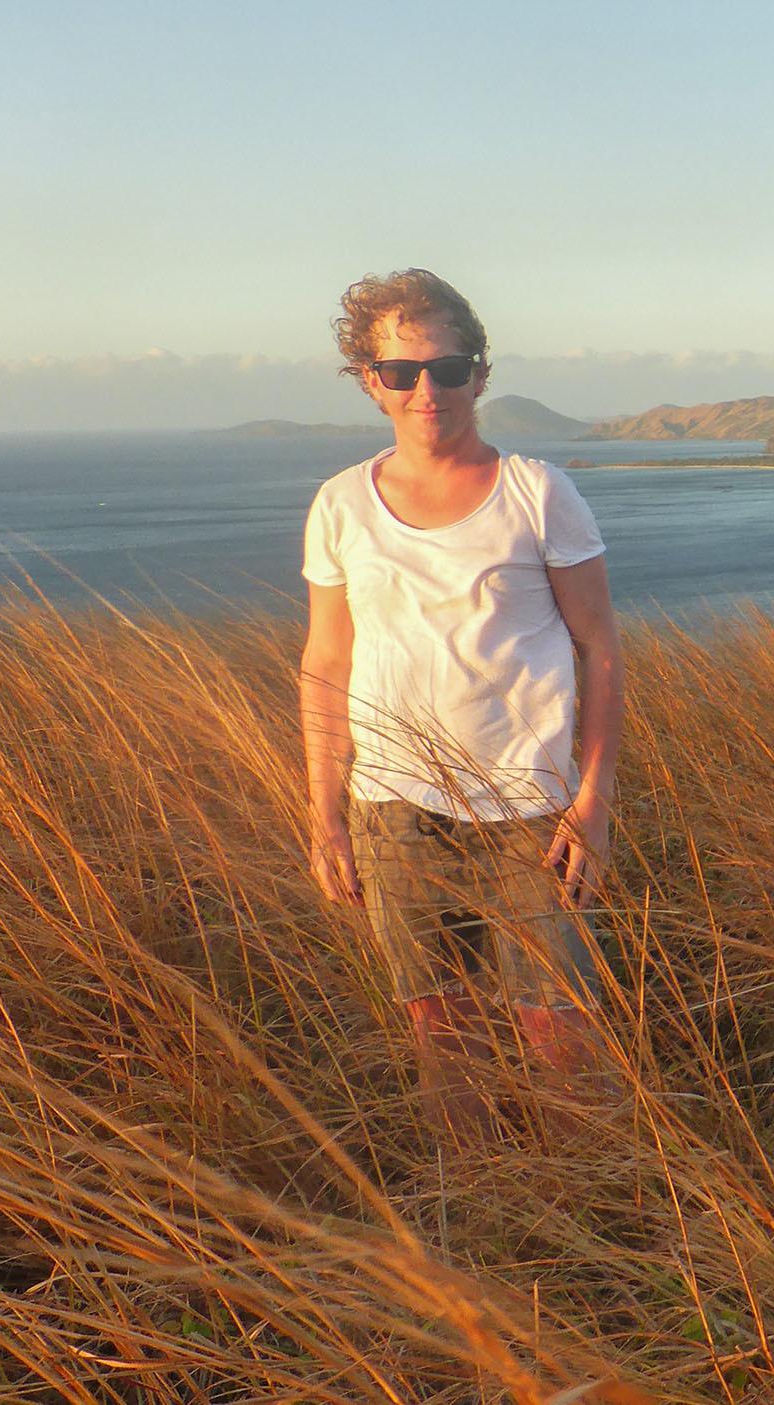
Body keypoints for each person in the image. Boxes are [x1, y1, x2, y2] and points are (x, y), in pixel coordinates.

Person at [298, 268, 625, 1144]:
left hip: (531, 808)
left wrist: (592, 802)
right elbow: (326, 662)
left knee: (560, 1026)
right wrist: (327, 816)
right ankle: (482, 1200)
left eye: (446, 368)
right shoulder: (340, 505)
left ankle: (602, 1202)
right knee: (441, 1026)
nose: (425, 389)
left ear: (480, 374)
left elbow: (599, 646)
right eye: (401, 371)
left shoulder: (538, 491)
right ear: (370, 381)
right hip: (395, 807)